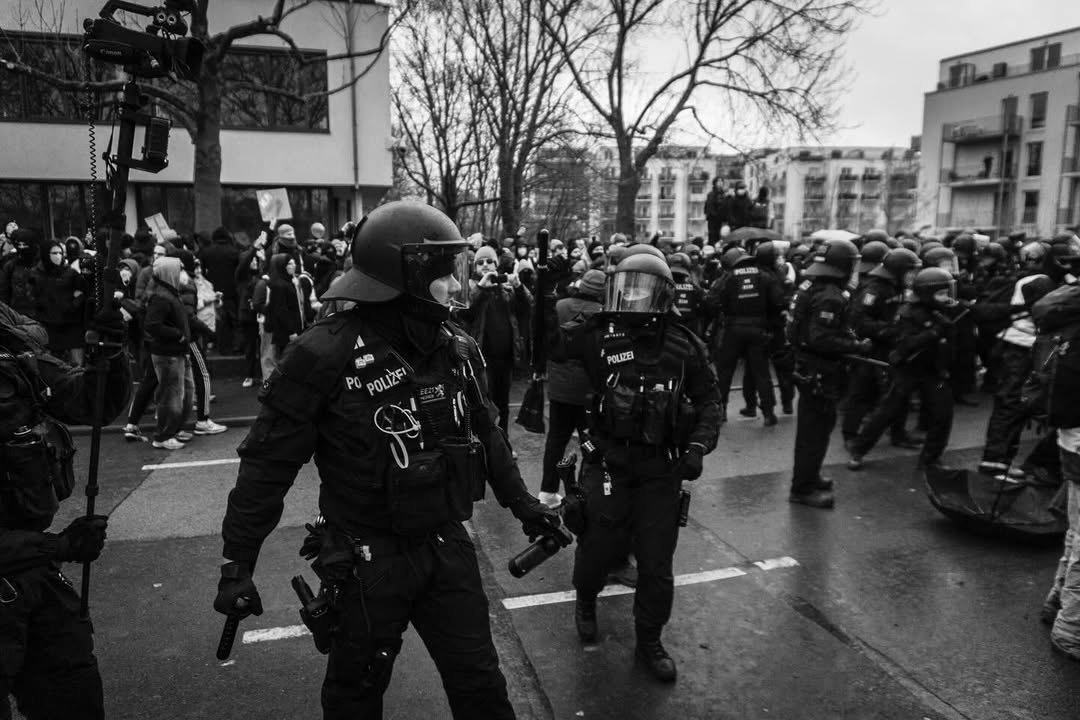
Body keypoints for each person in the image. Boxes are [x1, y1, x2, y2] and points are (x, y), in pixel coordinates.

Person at [215, 201, 563, 719]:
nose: (453, 284)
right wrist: (237, 564)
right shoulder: (321, 354)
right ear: (408, 276)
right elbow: (266, 468)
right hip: (366, 558)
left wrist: (523, 504)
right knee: (356, 694)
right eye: (443, 272)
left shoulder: (454, 346)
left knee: (481, 685)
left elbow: (486, 430)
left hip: (446, 544)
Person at [554, 246, 720, 682]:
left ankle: (649, 640)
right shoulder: (598, 335)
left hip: (660, 470)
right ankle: (586, 601)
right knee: (596, 547)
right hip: (608, 462)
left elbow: (709, 402)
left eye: (642, 290)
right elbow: (553, 345)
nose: (632, 298)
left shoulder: (686, 345)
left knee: (656, 562)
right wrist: (584, 315)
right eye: (624, 289)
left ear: (663, 296)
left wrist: (699, 447)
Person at [0, 296, 130, 720]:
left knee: (73, 695)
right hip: (23, 561)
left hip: (31, 573)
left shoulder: (11, 345)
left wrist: (109, 351)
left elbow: (90, 402)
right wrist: (59, 547)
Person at [847, 268, 959, 472]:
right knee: (887, 411)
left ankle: (930, 459)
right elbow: (906, 344)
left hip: (933, 370)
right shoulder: (908, 313)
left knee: (943, 414)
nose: (946, 298)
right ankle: (858, 450)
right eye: (941, 294)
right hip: (908, 369)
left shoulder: (941, 309)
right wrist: (933, 332)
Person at [787, 239, 871, 509]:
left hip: (808, 366)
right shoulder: (830, 295)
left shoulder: (812, 285)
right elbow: (821, 338)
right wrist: (856, 346)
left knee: (815, 429)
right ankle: (802, 488)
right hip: (819, 370)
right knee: (815, 431)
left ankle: (810, 476)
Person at [841, 247, 923, 450]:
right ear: (898, 270)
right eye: (909, 271)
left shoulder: (896, 286)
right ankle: (850, 435)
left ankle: (898, 433)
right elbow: (859, 321)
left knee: (899, 391)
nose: (912, 276)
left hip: (893, 347)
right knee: (862, 391)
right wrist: (889, 331)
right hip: (870, 348)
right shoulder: (874, 289)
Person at [539, 269, 605, 508]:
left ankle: (547, 491)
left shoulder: (560, 306)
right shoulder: (603, 314)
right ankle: (587, 492)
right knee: (591, 442)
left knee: (556, 440)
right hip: (590, 390)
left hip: (560, 386)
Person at [704, 241, 785, 426]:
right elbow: (779, 302)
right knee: (761, 372)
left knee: (724, 373)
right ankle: (768, 413)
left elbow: (711, 300)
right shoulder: (765, 276)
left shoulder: (728, 277)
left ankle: (721, 411)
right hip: (759, 329)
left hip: (732, 330)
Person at [459, 245, 531, 435]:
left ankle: (503, 441)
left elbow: (527, 308)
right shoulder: (471, 286)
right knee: (484, 403)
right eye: (480, 262)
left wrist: (519, 287)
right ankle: (487, 444)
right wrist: (482, 288)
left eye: (489, 261)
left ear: (496, 265)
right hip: (482, 358)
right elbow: (464, 313)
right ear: (475, 267)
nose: (485, 265)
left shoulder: (506, 288)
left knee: (503, 403)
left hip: (505, 358)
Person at [143, 256, 195, 450]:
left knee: (185, 394)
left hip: (177, 352)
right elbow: (152, 325)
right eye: (178, 269)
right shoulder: (162, 297)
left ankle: (174, 428)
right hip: (168, 354)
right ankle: (163, 435)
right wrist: (178, 335)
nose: (182, 273)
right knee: (171, 395)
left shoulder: (170, 293)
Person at [31, 238, 87, 365]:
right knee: (52, 365)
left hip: (71, 324)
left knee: (76, 364)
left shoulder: (70, 273)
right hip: (48, 325)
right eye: (54, 253)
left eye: (60, 253)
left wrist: (73, 304)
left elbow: (83, 292)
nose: (58, 256)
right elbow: (31, 296)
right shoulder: (36, 274)